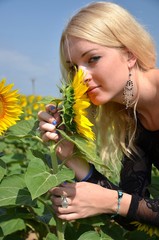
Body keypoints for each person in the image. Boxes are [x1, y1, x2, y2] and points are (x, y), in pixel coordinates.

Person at [38, 1, 159, 230]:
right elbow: (133, 212)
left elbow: (120, 203)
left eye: (92, 59)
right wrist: (70, 157)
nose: (80, 78)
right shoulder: (130, 118)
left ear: (130, 54)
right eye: (73, 68)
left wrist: (114, 201)